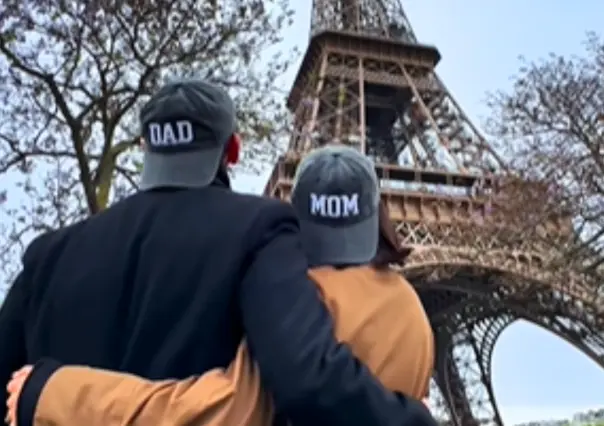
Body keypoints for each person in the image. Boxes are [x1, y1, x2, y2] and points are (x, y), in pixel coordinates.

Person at [0, 79, 435, 426]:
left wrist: (47, 394)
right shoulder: (261, 230)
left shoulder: (46, 256)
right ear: (233, 150)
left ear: (143, 149)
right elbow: (301, 375)